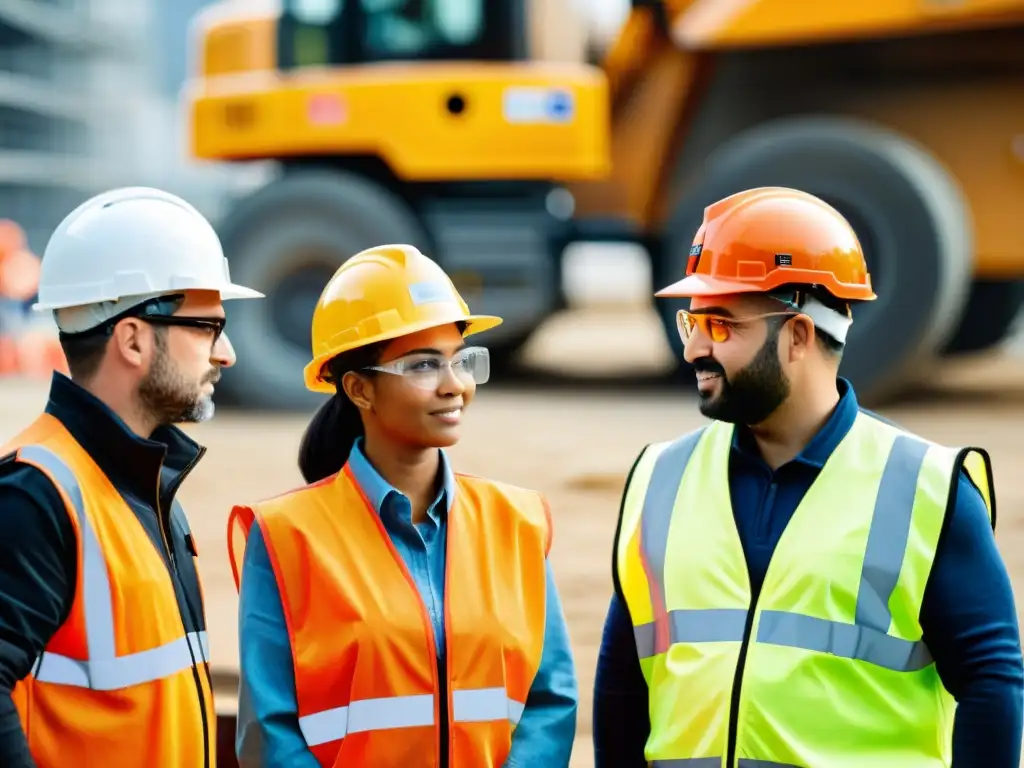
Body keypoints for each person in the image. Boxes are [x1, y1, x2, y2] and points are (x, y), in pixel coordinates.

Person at [592, 186, 1024, 767]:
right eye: (690, 322)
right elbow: (623, 679)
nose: (694, 348)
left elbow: (991, 681)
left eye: (720, 325)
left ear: (797, 335)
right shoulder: (660, 478)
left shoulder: (926, 486)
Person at [227, 243, 578, 767]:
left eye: (461, 362)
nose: (454, 385)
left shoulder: (516, 523)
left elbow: (548, 702)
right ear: (358, 389)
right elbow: (270, 733)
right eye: (424, 365)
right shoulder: (285, 536)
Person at [0, 187, 264, 767]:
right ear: (134, 339)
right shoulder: (35, 495)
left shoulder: (148, 486)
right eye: (208, 328)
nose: (227, 355)